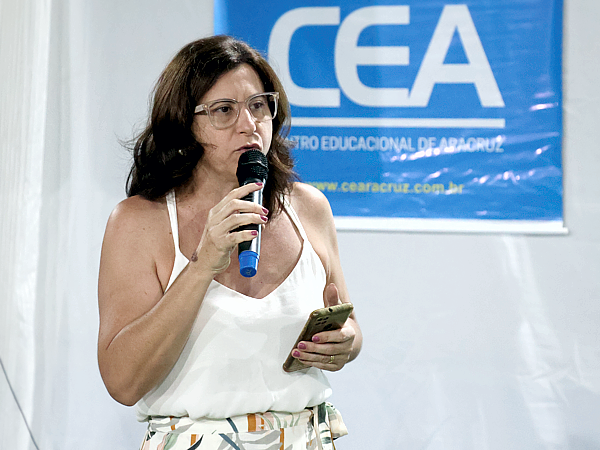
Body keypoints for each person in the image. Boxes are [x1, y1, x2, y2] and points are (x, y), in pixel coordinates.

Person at [97, 35, 362, 450]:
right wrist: (202, 265)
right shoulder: (139, 221)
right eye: (224, 110)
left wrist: (343, 343)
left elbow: (349, 328)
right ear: (185, 123)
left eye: (258, 106)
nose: (249, 124)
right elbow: (123, 382)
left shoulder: (309, 208)